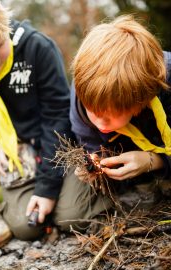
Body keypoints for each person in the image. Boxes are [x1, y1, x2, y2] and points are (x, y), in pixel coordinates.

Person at [53, 15, 171, 232]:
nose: (98, 122)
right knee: (69, 215)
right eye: (93, 111)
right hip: (127, 168)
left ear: (140, 103)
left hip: (158, 150)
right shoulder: (84, 89)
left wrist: (155, 161)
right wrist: (95, 167)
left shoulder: (163, 85)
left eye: (109, 115)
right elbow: (92, 144)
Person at [0, 0, 72, 240]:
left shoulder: (38, 48)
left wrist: (47, 187)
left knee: (71, 216)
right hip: (17, 160)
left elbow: (58, 117)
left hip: (52, 150)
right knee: (26, 227)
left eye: (0, 45)